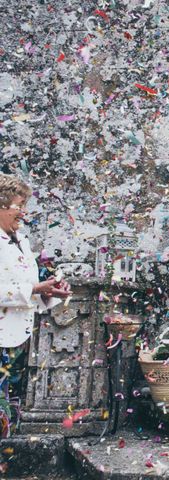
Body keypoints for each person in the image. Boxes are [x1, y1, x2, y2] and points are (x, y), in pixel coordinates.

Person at [0, 174, 71, 436]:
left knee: (9, 413)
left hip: (16, 340)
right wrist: (33, 289)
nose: (23, 212)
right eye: (19, 205)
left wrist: (48, 292)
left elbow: (27, 290)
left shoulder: (19, 241)